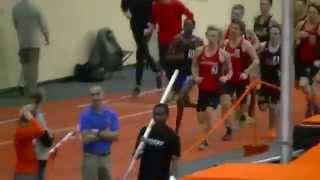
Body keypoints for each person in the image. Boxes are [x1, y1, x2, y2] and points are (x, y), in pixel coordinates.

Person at [192, 26, 232, 149]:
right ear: (206, 35)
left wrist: (226, 77)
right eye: (209, 36)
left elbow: (230, 71)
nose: (211, 39)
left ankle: (205, 140)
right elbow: (194, 66)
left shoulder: (223, 55)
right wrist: (195, 77)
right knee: (200, 119)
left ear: (218, 37)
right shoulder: (199, 51)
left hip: (216, 89)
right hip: (203, 89)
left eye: (214, 36)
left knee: (209, 113)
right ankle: (209, 130)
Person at [222, 19, 260, 141]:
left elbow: (256, 60)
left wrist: (246, 72)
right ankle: (228, 130)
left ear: (240, 31)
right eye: (231, 28)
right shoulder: (225, 43)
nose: (232, 30)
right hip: (228, 78)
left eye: (235, 28)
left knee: (240, 109)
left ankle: (240, 119)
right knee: (225, 103)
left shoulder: (245, 44)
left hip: (241, 79)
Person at [166, 19, 203, 133]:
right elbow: (168, 57)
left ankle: (197, 107)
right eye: (185, 25)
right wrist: (183, 56)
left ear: (194, 27)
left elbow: (202, 56)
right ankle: (177, 127)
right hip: (179, 72)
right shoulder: (178, 39)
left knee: (181, 100)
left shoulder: (198, 41)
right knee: (181, 102)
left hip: (191, 73)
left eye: (190, 26)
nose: (187, 28)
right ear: (183, 26)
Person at [121, 0, 162, 96]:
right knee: (142, 50)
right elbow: (124, 7)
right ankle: (157, 71)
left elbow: (156, 9)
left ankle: (138, 85)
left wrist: (152, 25)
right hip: (135, 26)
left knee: (141, 51)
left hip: (147, 26)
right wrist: (129, 16)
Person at [79, 86, 120, 180]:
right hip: (90, 157)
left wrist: (96, 132)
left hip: (106, 157)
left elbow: (116, 136)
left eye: (98, 94)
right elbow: (86, 139)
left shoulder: (111, 114)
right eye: (93, 95)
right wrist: (106, 133)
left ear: (103, 94)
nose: (95, 97)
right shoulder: (85, 115)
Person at [147, 0, 194, 80]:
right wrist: (150, 29)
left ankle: (177, 81)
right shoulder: (155, 5)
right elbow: (153, 20)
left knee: (177, 61)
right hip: (163, 38)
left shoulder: (177, 4)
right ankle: (166, 81)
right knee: (164, 61)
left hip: (176, 39)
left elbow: (190, 15)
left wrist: (185, 28)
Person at [12, 0, 50, 96]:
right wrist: (47, 37)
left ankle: (21, 84)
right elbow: (43, 25)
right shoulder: (36, 7)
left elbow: (15, 25)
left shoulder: (15, 8)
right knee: (32, 67)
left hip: (22, 42)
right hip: (34, 42)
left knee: (26, 65)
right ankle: (32, 92)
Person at [135, 103, 180, 180]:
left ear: (167, 116)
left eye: (160, 114)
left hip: (161, 177)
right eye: (155, 114)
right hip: (144, 176)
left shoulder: (173, 136)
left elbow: (174, 160)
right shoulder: (145, 131)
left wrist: (173, 178)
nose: (157, 117)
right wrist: (138, 152)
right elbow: (136, 155)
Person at [295, 3, 320, 117]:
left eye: (314, 13)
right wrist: (298, 37)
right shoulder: (301, 24)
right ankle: (314, 105)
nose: (311, 15)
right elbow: (294, 40)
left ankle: (312, 109)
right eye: (309, 12)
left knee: (312, 86)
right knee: (304, 87)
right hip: (301, 61)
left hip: (315, 62)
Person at [22, 91, 53, 180]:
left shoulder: (30, 114)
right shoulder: (39, 116)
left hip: (33, 150)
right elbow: (45, 137)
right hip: (40, 152)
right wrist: (51, 136)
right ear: (42, 100)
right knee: (40, 174)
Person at [258, 24, 282, 138]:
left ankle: (271, 129)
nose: (274, 36)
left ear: (280, 35)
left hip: (276, 82)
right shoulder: (263, 46)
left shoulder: (283, 49)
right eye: (272, 33)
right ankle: (277, 109)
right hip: (264, 81)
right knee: (262, 107)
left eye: (276, 33)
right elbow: (255, 59)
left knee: (272, 106)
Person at [14, 107, 45, 180]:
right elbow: (39, 131)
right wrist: (32, 119)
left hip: (28, 172)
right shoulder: (22, 132)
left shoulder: (25, 135)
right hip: (25, 174)